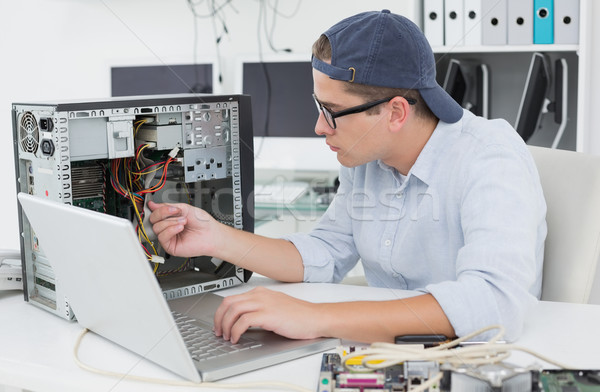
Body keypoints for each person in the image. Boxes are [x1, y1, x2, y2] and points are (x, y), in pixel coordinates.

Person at [149, 10, 546, 344]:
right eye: (318, 105)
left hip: (482, 358)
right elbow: (325, 253)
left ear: (395, 113)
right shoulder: (368, 158)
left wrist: (316, 317)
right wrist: (217, 237)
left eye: (333, 111)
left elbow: (493, 303)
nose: (320, 126)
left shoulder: (491, 158)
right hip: (390, 353)